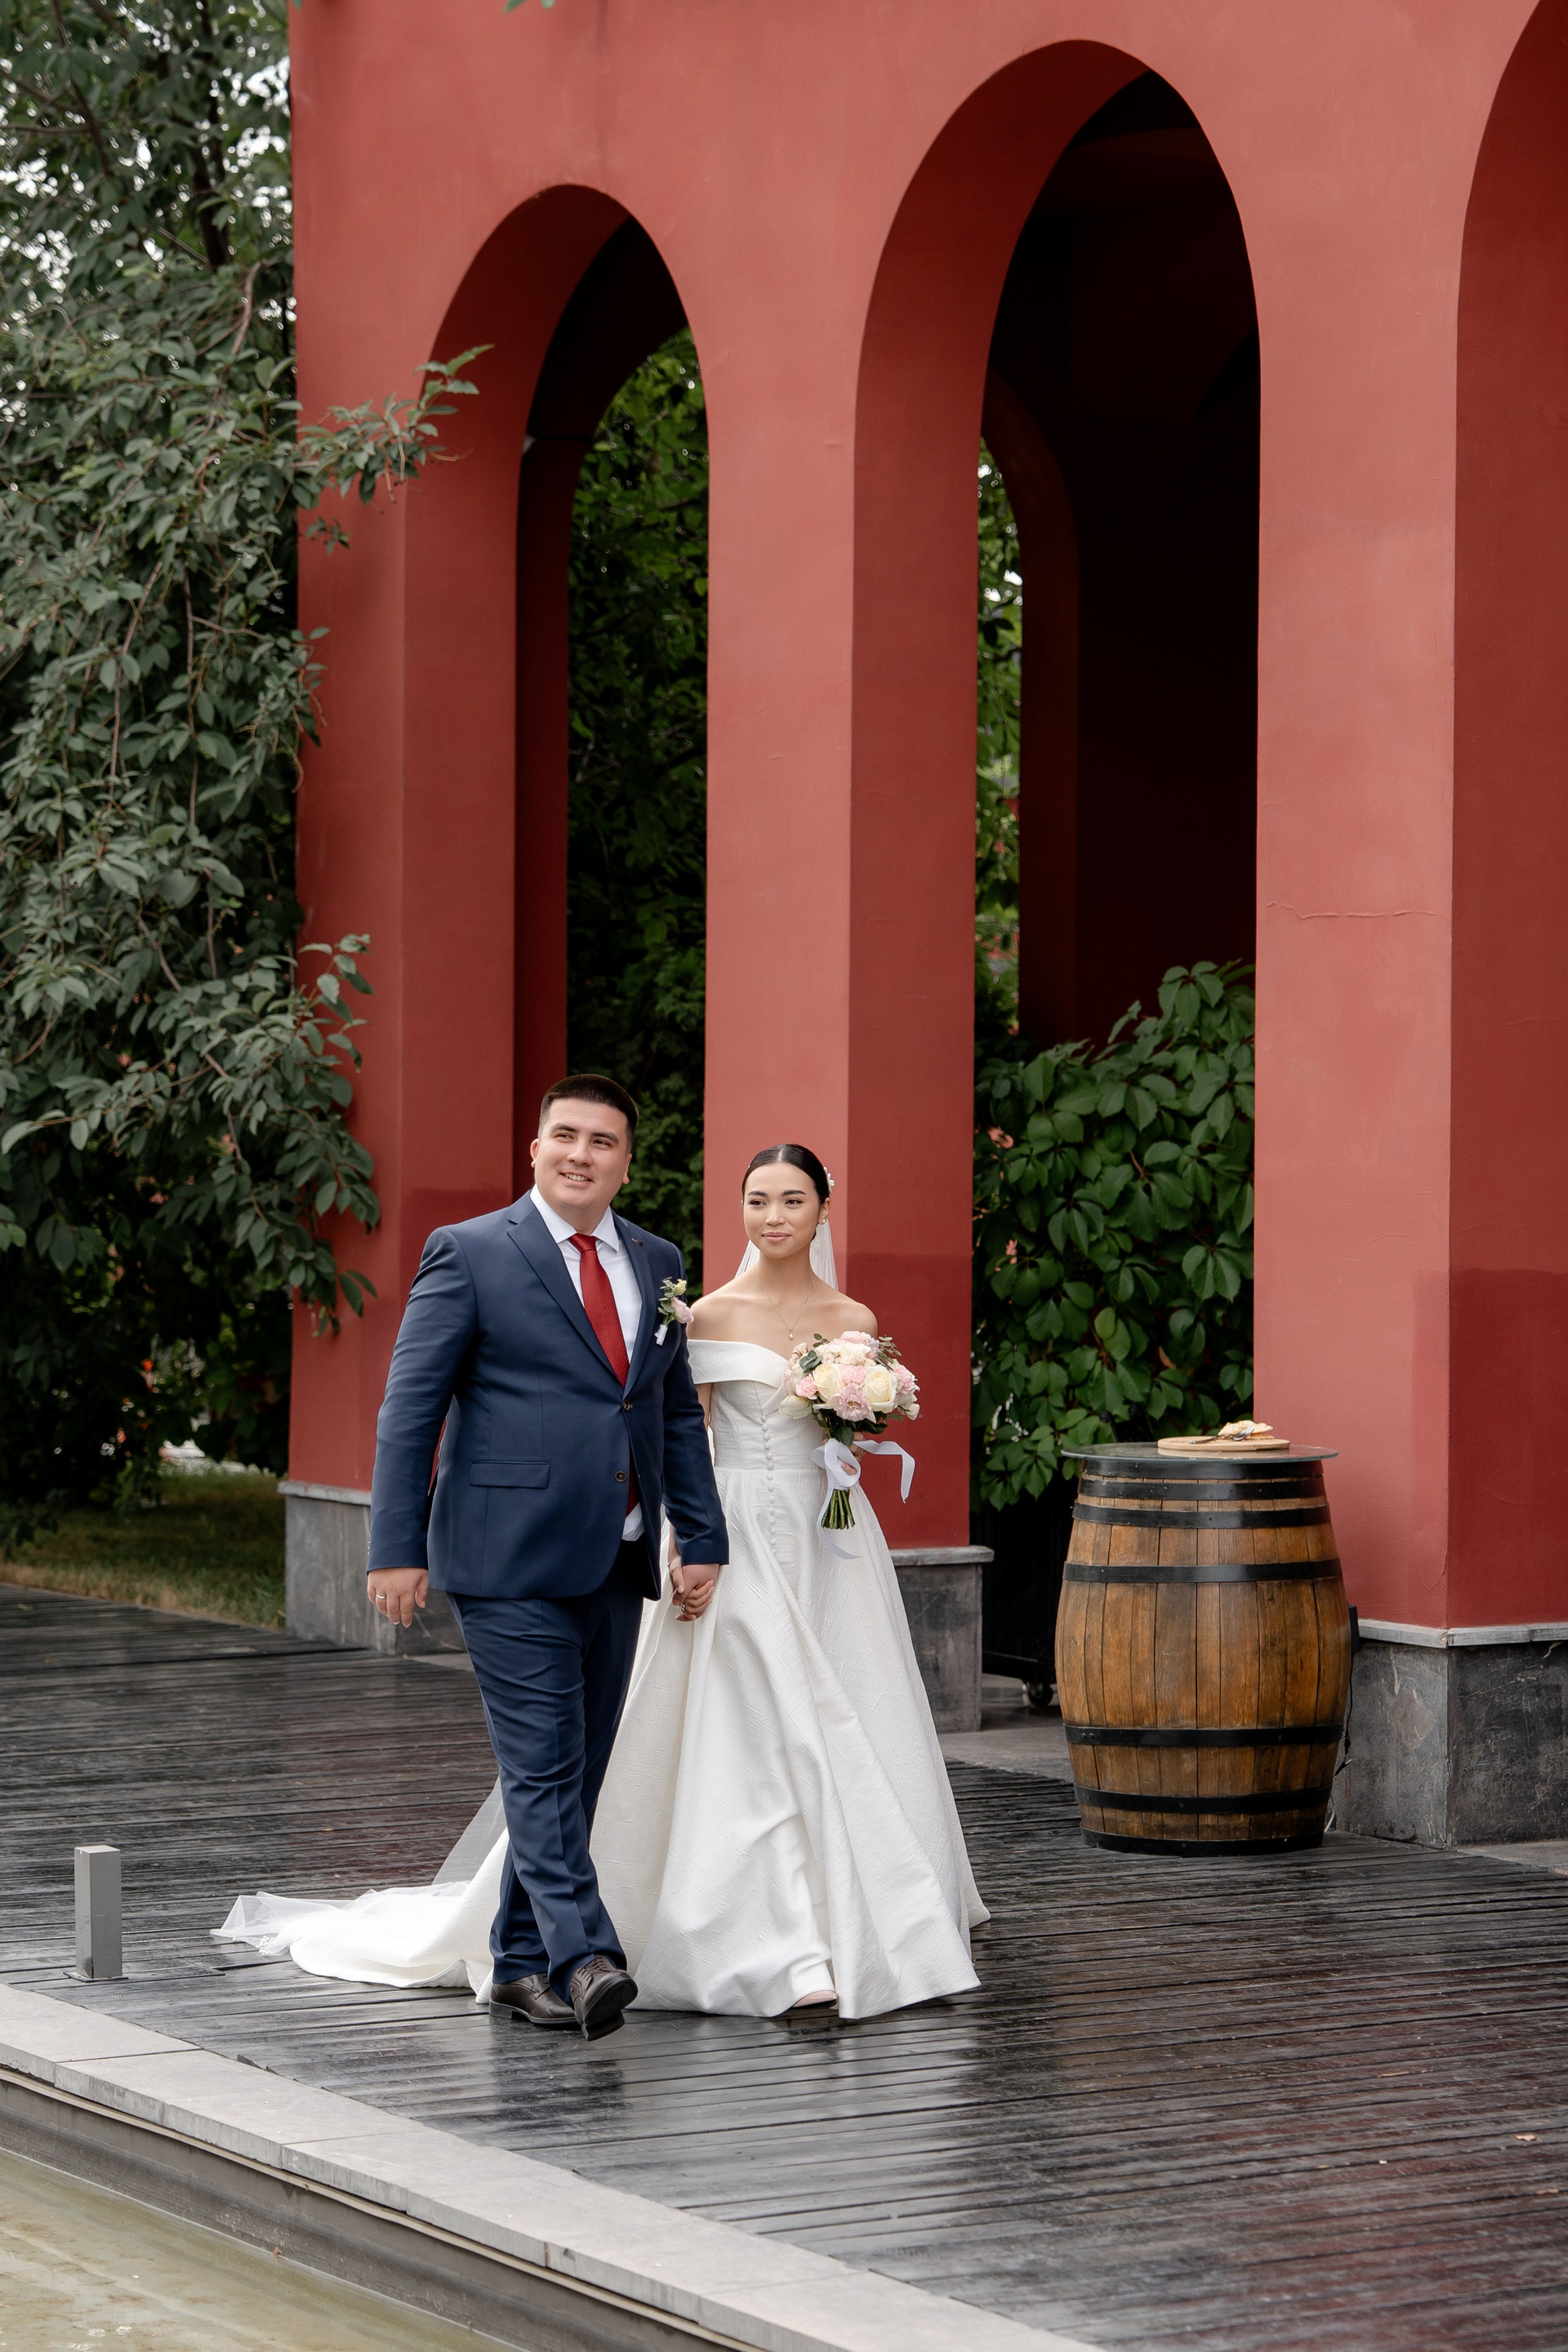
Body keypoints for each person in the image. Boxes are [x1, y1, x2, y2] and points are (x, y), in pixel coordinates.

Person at [216, 1135, 983, 2025]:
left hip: (826, 1537)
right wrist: (691, 1539)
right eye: (757, 1199)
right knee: (717, 1729)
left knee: (834, 1709)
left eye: (792, 1200)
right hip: (717, 1530)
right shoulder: (702, 1309)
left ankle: (853, 1910)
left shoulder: (834, 1313)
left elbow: (710, 1422)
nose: (773, 1216)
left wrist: (855, 1420)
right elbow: (679, 1429)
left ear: (823, 1210)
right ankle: (711, 1944)